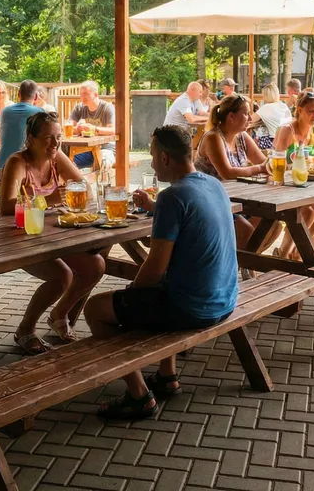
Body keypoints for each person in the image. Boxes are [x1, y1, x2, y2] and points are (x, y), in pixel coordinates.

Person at [84, 125, 238, 420]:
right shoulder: (213, 184)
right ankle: (167, 376)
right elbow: (189, 214)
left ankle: (139, 395)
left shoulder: (173, 197)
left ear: (165, 158)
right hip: (225, 301)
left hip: (194, 309)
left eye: (153, 156)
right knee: (167, 287)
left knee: (96, 309)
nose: (152, 163)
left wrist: (129, 295)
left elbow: (154, 269)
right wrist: (154, 207)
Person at [0, 112, 106, 353]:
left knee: (96, 265)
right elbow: (5, 207)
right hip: (21, 237)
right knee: (62, 276)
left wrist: (73, 193)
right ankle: (25, 329)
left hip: (52, 236)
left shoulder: (56, 158)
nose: (55, 143)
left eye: (58, 137)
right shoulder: (18, 162)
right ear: (31, 139)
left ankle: (59, 314)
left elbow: (85, 188)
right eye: (48, 138)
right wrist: (48, 199)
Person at [194, 94, 278, 250]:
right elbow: (227, 173)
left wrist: (275, 160)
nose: (250, 118)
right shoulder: (213, 137)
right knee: (247, 231)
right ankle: (241, 260)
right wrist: (260, 169)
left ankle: (245, 261)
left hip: (237, 199)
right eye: (246, 114)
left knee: (274, 223)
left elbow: (264, 162)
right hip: (210, 202)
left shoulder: (242, 136)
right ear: (231, 117)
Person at [272, 92, 314, 256]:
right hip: (285, 188)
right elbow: (277, 163)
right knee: (305, 212)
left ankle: (297, 253)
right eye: (311, 111)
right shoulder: (287, 130)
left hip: (306, 188)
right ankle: (283, 254)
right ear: (300, 110)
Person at [0, 80, 44, 182]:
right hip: (27, 173)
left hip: (3, 172)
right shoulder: (39, 114)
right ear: (35, 97)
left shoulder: (5, 112)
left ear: (18, 94)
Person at [69, 80, 117, 170]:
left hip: (106, 148)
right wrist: (77, 129)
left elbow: (113, 130)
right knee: (66, 163)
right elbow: (69, 126)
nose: (82, 97)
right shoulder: (79, 107)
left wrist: (94, 129)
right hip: (87, 150)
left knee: (101, 164)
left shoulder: (107, 108)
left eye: (85, 94)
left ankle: (101, 179)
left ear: (95, 94)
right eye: (81, 94)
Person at [252, 83, 292, 149]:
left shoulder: (266, 107)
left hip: (275, 141)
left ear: (265, 96)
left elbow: (250, 120)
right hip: (288, 140)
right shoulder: (283, 105)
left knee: (254, 140)